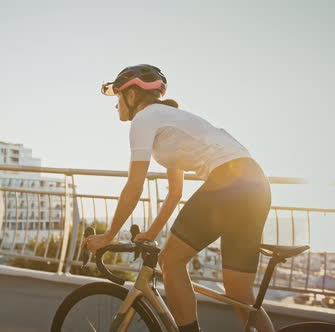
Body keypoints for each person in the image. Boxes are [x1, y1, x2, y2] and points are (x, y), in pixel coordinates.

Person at [85, 64, 275, 332]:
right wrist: (150, 233)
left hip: (229, 182)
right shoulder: (170, 121)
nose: (116, 106)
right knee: (240, 294)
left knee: (171, 261)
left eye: (118, 97)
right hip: (255, 184)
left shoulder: (145, 118)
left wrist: (108, 236)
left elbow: (134, 185)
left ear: (131, 95)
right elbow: (175, 193)